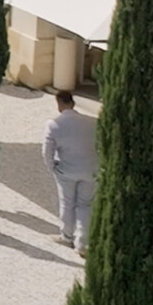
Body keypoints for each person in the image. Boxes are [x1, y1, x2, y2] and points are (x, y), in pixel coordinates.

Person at [44, 90, 98, 252]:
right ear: (73, 103)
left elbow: (47, 151)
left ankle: (67, 237)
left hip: (66, 171)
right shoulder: (92, 122)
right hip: (91, 171)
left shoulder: (53, 124)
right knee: (85, 204)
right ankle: (83, 242)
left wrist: (52, 168)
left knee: (67, 203)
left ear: (59, 104)